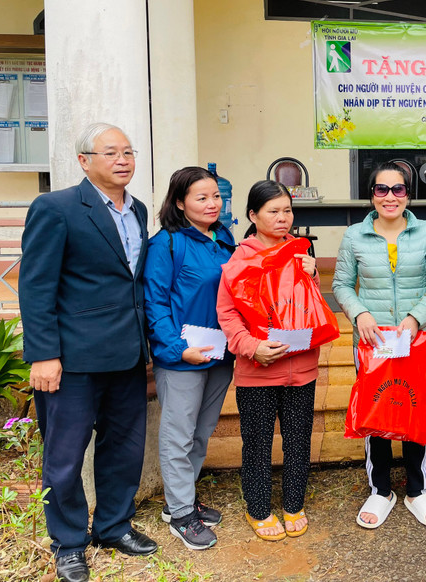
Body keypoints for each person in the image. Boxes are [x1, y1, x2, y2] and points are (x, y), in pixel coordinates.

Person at [19, 122, 157, 582]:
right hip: (71, 360)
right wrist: (43, 354)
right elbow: (37, 286)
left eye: (128, 151)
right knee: (64, 457)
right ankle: (69, 541)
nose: (123, 159)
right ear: (84, 161)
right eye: (111, 152)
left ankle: (114, 525)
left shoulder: (136, 209)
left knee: (124, 449)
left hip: (127, 355)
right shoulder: (56, 208)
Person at [332, 162, 426, 529]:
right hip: (372, 344)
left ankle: (418, 490)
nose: (390, 197)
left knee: (415, 410)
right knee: (377, 412)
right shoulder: (354, 235)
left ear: (408, 194)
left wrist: (416, 317)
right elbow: (340, 284)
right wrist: (360, 314)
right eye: (381, 190)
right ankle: (381, 490)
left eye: (398, 189)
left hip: (415, 340)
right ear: (371, 195)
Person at [217, 180, 319, 541]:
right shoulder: (240, 259)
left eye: (287, 211)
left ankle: (294, 504)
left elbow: (310, 306)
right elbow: (227, 314)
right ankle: (258, 508)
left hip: (301, 366)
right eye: (273, 211)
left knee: (298, 439)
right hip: (258, 369)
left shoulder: (300, 252)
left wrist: (313, 275)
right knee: (257, 442)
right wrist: (249, 346)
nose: (282, 218)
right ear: (253, 215)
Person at [143, 167, 236, 550]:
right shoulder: (166, 244)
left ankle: (182, 501)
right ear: (180, 203)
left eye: (215, 196)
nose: (212, 203)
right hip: (183, 356)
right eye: (201, 197)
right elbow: (155, 303)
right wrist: (177, 349)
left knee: (202, 430)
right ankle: (181, 514)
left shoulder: (224, 238)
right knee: (178, 434)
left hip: (220, 352)